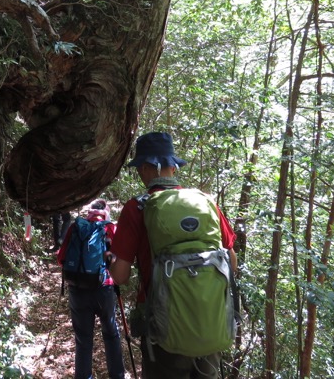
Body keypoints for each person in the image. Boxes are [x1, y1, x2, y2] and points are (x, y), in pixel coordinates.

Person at [109, 131, 238, 379]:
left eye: (139, 168)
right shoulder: (205, 202)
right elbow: (231, 262)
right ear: (173, 168)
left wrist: (110, 262)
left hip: (163, 328)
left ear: (146, 168)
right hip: (211, 324)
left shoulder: (137, 207)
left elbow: (120, 276)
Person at [57, 199, 126, 379]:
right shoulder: (111, 228)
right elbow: (120, 261)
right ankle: (117, 376)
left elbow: (61, 258)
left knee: (83, 340)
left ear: (89, 212)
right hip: (104, 289)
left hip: (78, 289)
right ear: (106, 211)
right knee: (111, 334)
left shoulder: (76, 227)